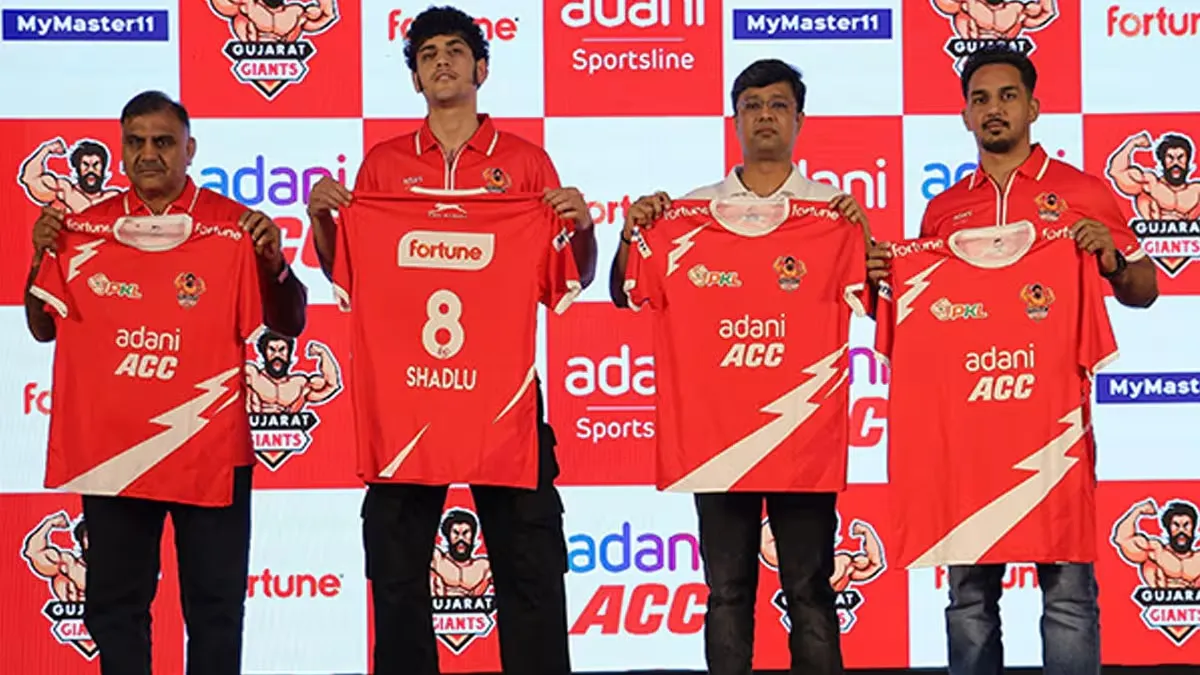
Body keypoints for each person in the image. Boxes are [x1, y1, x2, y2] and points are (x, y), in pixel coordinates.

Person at [304, 6, 596, 674]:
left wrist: (582, 228)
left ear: (481, 69)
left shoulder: (526, 163)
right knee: (397, 573)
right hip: (406, 399)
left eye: (456, 50)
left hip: (502, 399)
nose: (441, 60)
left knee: (531, 568)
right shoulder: (382, 166)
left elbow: (565, 278)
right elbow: (349, 274)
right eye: (428, 52)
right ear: (414, 77)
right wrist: (324, 222)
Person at [865, 47, 1157, 675]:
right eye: (980, 99)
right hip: (964, 442)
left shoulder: (1082, 191)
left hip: (1054, 435)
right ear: (965, 116)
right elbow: (923, 320)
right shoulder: (942, 211)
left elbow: (1145, 289)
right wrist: (882, 281)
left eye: (1006, 96)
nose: (993, 109)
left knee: (1069, 598)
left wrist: (1110, 260)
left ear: (1033, 107)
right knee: (968, 601)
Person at [24, 90, 308, 675]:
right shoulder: (85, 228)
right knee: (115, 608)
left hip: (209, 448)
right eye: (136, 142)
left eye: (163, 141)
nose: (149, 153)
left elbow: (290, 322)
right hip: (115, 449)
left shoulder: (232, 227)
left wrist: (273, 262)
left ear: (190, 149)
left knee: (215, 609)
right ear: (121, 149)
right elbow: (42, 328)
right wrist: (40, 258)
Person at [610, 59, 869, 675]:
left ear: (800, 119)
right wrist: (631, 234)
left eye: (778, 105)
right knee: (727, 593)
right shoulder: (687, 214)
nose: (765, 116)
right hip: (718, 440)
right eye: (752, 105)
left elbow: (874, 303)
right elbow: (624, 294)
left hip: (801, 438)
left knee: (810, 590)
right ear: (735, 121)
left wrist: (862, 238)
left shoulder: (832, 215)